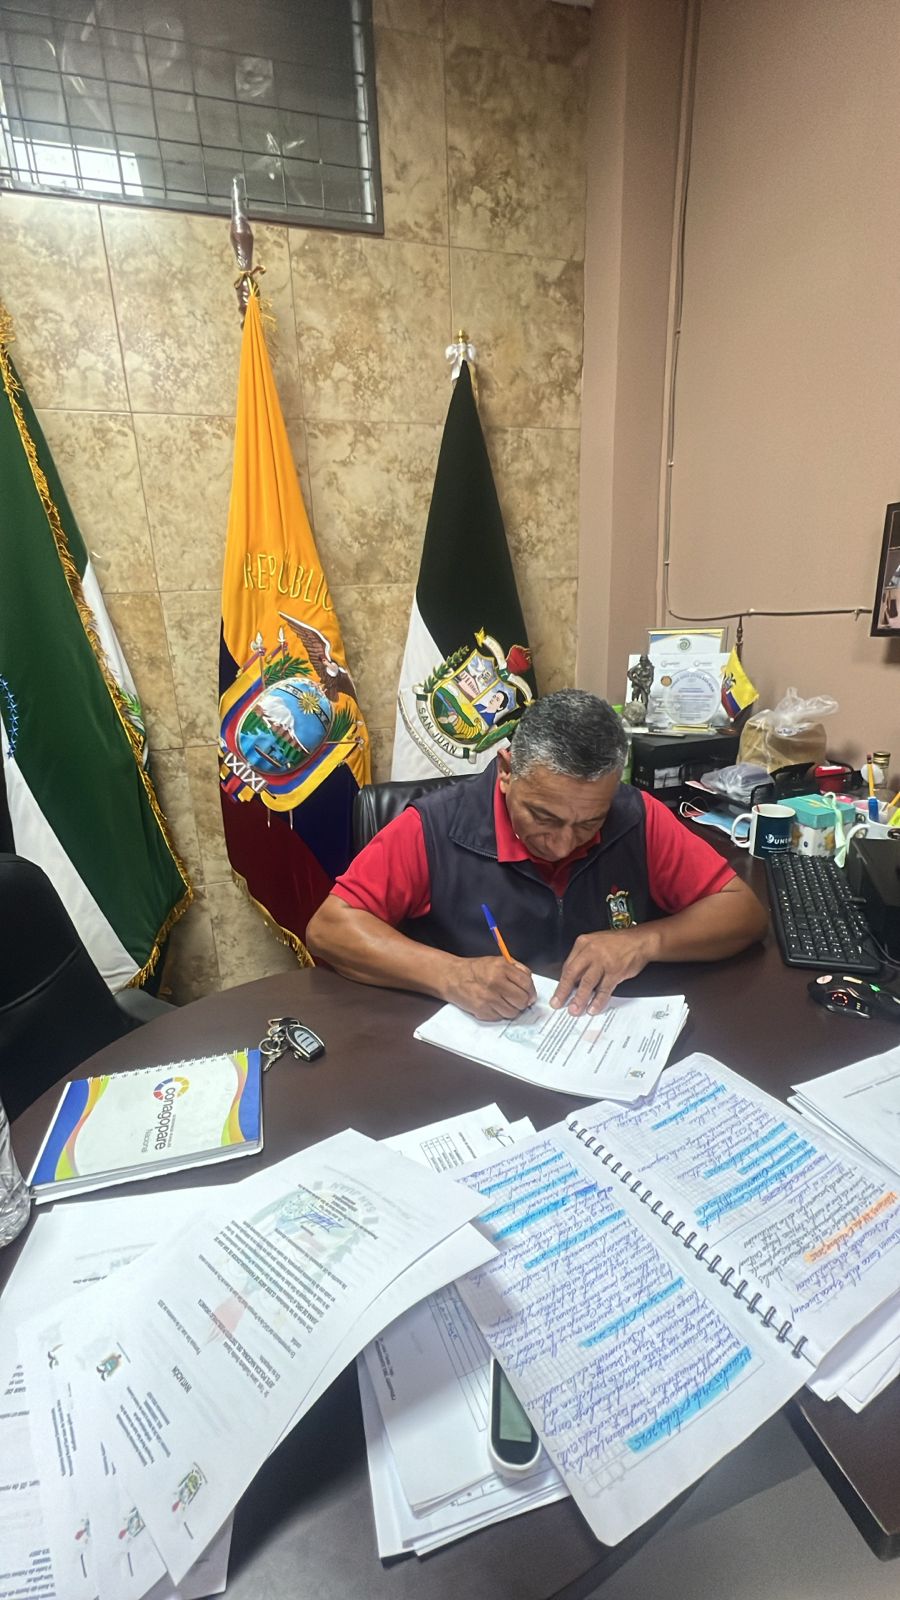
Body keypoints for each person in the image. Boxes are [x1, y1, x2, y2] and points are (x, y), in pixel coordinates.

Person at [306, 690, 768, 1021]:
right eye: (543, 817)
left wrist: (644, 941)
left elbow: (742, 913)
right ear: (507, 772)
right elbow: (330, 928)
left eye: (588, 822)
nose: (564, 843)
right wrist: (450, 974)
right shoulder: (433, 826)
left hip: (597, 1037)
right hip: (471, 1058)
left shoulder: (635, 816)